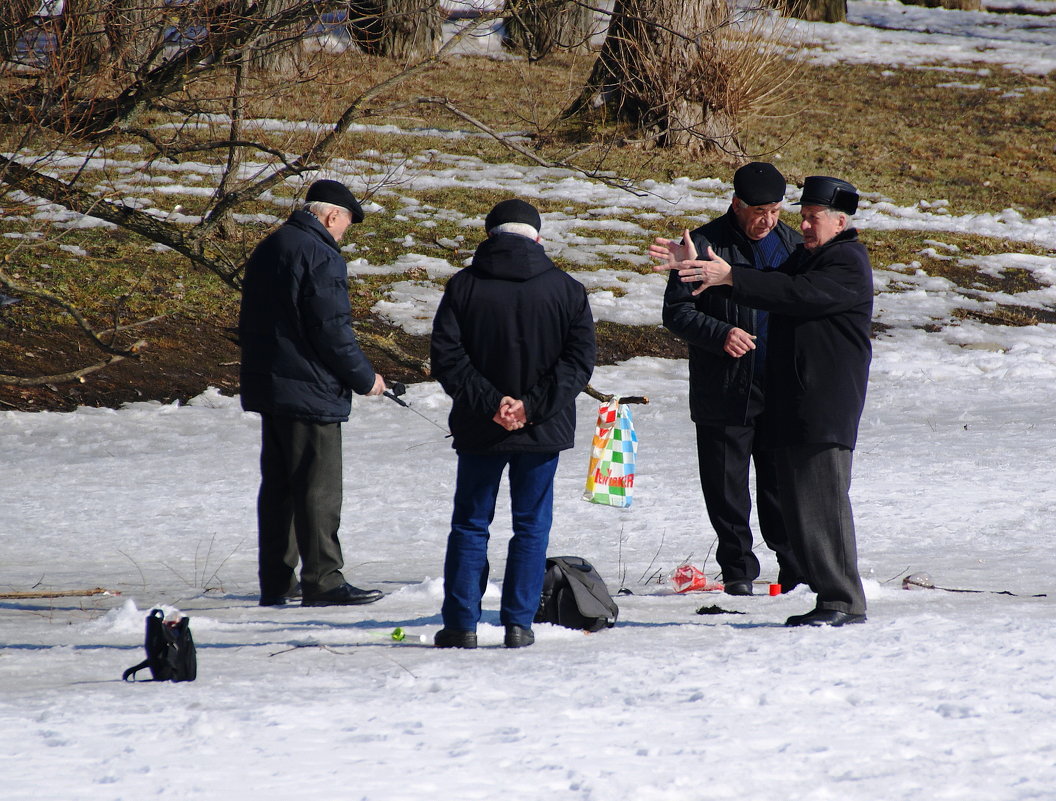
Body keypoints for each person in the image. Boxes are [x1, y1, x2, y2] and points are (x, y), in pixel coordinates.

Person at [652, 176, 872, 627]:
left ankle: (842, 599)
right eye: (804, 218)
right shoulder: (813, 257)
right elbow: (771, 281)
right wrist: (701, 268)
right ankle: (830, 597)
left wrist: (727, 275)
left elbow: (793, 294)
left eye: (812, 219)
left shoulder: (845, 261)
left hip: (823, 407)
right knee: (803, 504)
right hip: (794, 405)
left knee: (823, 505)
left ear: (840, 221)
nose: (803, 226)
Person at [430, 199, 596, 649]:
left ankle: (461, 624)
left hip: (480, 428)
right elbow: (579, 362)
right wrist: (530, 407)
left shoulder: (463, 286)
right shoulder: (567, 289)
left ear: (490, 236)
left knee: (470, 524)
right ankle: (518, 625)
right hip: (541, 431)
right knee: (531, 526)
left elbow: (447, 357)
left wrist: (491, 404)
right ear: (537, 238)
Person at [654, 162, 806, 597]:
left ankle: (793, 568)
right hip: (723, 389)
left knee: (780, 488)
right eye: (759, 210)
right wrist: (721, 334)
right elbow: (677, 313)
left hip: (778, 389)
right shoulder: (702, 244)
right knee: (726, 490)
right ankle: (738, 571)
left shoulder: (793, 246)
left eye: (776, 210)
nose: (768, 220)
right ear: (736, 204)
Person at [239, 179, 387, 608]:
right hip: (311, 390)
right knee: (317, 490)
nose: (343, 233)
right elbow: (331, 330)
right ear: (331, 216)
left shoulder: (271, 246)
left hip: (272, 385)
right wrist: (364, 377)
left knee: (280, 488)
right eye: (345, 224)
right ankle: (323, 580)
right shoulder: (320, 254)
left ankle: (277, 581)